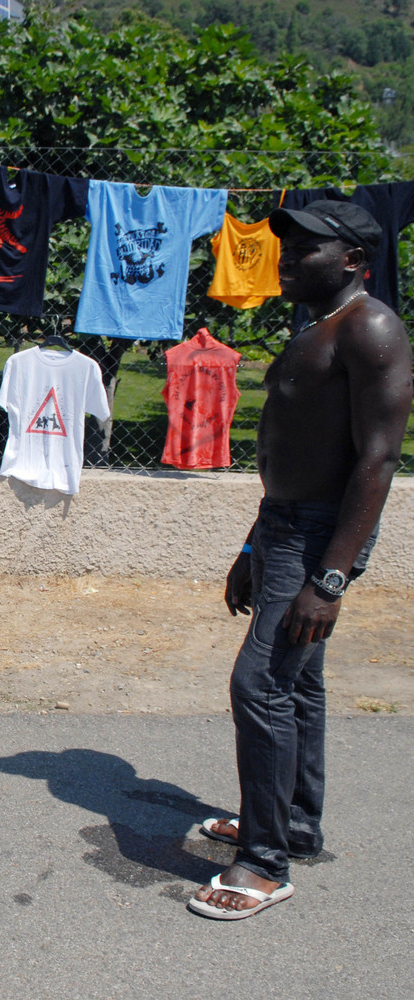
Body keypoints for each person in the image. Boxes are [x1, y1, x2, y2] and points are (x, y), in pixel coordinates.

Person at [189, 199, 413, 920]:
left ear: (354, 259)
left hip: (322, 536)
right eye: (286, 249)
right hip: (285, 525)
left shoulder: (370, 328)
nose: (286, 260)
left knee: (259, 685)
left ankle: (262, 863)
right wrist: (254, 543)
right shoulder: (313, 326)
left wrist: (329, 578)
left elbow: (375, 462)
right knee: (297, 683)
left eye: (307, 250)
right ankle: (292, 824)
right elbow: (289, 455)